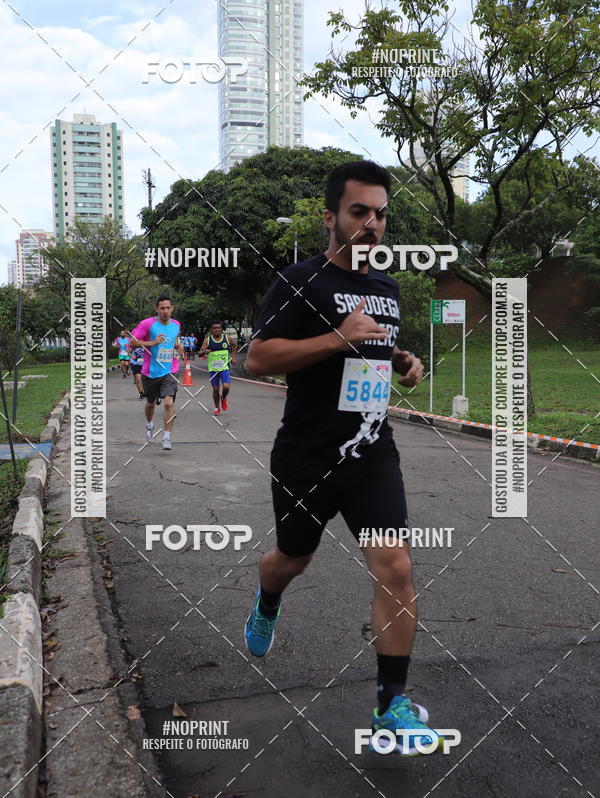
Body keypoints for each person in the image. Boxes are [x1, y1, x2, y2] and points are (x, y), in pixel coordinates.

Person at [243, 160, 441, 756]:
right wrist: (337, 339)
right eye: (360, 212)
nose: (373, 224)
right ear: (331, 217)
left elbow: (372, 352)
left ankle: (390, 705)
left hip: (371, 452)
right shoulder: (298, 280)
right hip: (306, 456)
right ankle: (267, 599)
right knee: (291, 560)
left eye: (381, 214)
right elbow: (257, 359)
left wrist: (401, 361)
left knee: (397, 564)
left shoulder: (386, 287)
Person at [129, 295, 184, 450]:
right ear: (156, 309)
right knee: (151, 403)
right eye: (162, 308)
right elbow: (132, 342)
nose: (166, 311)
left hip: (170, 370)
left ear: (172, 308)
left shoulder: (176, 325)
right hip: (150, 372)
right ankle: (149, 424)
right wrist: (151, 343)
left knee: (168, 403)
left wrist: (178, 347)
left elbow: (173, 342)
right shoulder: (148, 324)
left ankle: (167, 437)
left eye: (168, 308)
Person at [199, 322, 237, 415]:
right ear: (212, 330)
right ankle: (217, 409)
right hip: (213, 369)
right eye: (214, 328)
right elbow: (200, 353)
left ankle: (223, 398)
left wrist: (233, 357)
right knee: (215, 389)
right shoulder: (207, 340)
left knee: (226, 387)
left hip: (224, 367)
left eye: (219, 328)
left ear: (221, 329)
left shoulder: (227, 338)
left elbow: (235, 344)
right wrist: (204, 351)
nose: (217, 330)